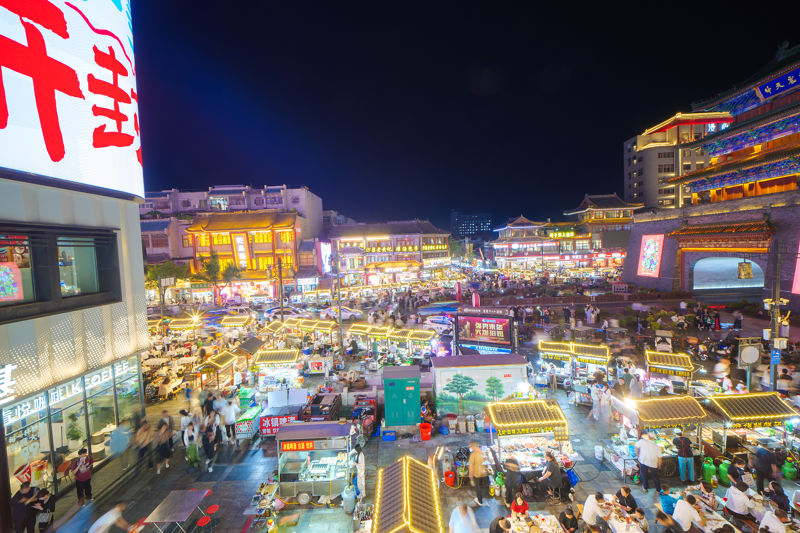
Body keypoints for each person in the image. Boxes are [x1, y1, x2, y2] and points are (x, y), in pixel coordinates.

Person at [468, 441, 489, 506]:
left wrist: (470, 475)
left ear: (473, 447)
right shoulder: (483, 452)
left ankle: (480, 501)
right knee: (484, 486)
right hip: (484, 473)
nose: (470, 448)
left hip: (477, 474)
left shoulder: (473, 454)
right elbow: (488, 461)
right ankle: (485, 497)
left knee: (478, 488)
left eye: (470, 446)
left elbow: (471, 466)